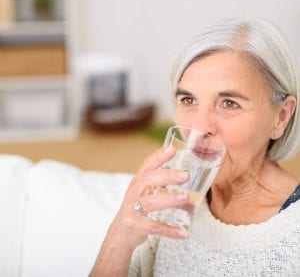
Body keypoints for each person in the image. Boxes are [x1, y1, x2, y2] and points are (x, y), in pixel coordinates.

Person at [89, 18, 300, 276]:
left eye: (229, 103)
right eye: (188, 99)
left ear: (281, 117)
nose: (200, 128)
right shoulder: (165, 203)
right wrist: (119, 237)